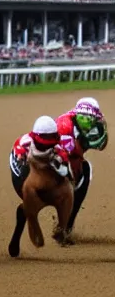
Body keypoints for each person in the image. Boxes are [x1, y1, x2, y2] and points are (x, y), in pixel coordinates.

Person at [56, 97, 108, 234]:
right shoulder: (65, 125)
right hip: (56, 156)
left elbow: (101, 145)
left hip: (68, 154)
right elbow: (70, 152)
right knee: (85, 170)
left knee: (86, 171)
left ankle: (68, 222)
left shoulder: (80, 120)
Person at [9, 115, 72, 198]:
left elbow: (63, 154)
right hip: (24, 165)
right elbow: (18, 147)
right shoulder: (26, 141)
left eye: (51, 136)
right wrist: (21, 154)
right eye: (45, 136)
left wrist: (63, 159)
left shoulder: (57, 145)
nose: (48, 139)